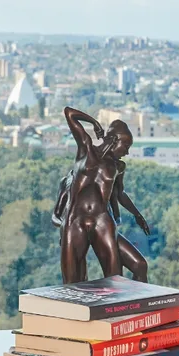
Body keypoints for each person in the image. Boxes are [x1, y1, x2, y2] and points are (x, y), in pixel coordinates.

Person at [53, 108, 150, 283]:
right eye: (126, 146)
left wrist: (137, 214)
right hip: (75, 220)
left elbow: (120, 194)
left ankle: (131, 308)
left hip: (102, 220)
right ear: (114, 140)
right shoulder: (86, 150)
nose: (126, 152)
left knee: (114, 279)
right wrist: (94, 123)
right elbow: (69, 113)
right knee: (71, 282)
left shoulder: (118, 167)